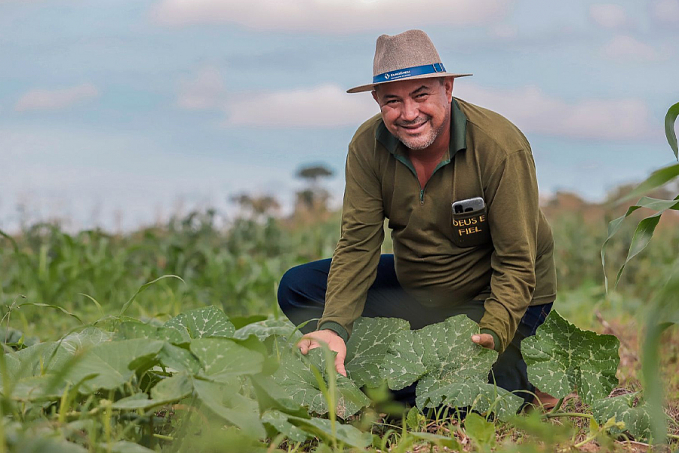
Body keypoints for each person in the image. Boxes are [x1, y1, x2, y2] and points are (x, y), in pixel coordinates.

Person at [277, 29, 557, 408]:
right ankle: (360, 365)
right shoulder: (367, 146)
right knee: (298, 286)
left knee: (474, 395)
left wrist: (493, 330)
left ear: (448, 87)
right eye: (393, 101)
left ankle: (512, 378)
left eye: (421, 94)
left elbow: (517, 262)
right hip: (422, 287)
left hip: (494, 294)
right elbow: (358, 245)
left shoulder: (499, 147)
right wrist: (333, 327)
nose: (408, 114)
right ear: (377, 100)